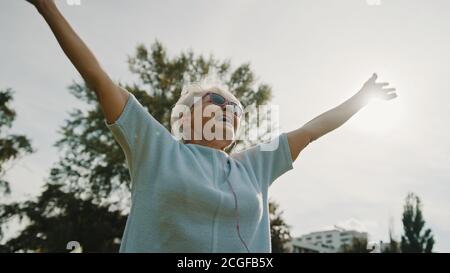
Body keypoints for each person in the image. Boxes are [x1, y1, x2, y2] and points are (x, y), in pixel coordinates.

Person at [25, 0, 397, 253]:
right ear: (184, 117)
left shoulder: (255, 165)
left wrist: (361, 99)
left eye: (236, 108)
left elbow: (313, 129)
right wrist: (48, 7)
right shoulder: (156, 149)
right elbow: (97, 77)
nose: (230, 109)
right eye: (217, 102)